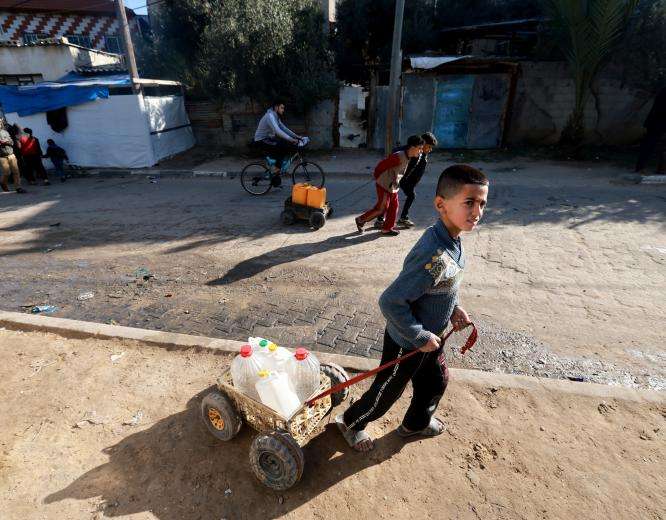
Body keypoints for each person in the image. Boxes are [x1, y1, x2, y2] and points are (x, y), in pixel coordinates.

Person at [337, 164, 489, 452]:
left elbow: (442, 285)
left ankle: (415, 423)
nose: (477, 211)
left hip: (432, 339)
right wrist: (419, 337)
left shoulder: (453, 240)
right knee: (385, 393)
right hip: (408, 342)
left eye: (482, 203)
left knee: (436, 381)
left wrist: (455, 308)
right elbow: (391, 301)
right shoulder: (434, 253)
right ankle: (350, 422)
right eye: (469, 202)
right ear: (441, 205)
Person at [354, 134, 424, 236]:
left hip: (393, 186)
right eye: (419, 148)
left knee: (394, 206)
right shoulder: (398, 156)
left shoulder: (409, 157)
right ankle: (361, 220)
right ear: (413, 148)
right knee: (382, 207)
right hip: (384, 184)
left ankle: (387, 228)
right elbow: (381, 166)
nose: (421, 151)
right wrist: (378, 177)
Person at [376, 132, 438, 229]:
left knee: (408, 196)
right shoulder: (412, 151)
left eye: (431, 148)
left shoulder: (422, 154)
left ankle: (394, 218)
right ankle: (384, 219)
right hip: (400, 178)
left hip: (407, 180)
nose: (430, 150)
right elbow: (397, 157)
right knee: (390, 198)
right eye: (429, 147)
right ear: (423, 143)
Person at [253, 101, 304, 179]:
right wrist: (291, 139)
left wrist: (296, 136)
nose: (283, 110)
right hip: (261, 140)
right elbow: (277, 131)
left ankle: (276, 170)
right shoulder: (270, 116)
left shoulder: (275, 116)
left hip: (268, 139)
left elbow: (284, 128)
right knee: (281, 146)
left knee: (284, 144)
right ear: (276, 107)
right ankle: (276, 170)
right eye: (282, 108)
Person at [636, 87, 666, 174]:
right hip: (657, 122)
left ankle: (661, 169)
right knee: (649, 145)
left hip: (657, 121)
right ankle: (641, 168)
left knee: (650, 145)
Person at [0, 119, 26, 193]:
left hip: (11, 154)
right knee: (7, 172)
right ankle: (3, 182)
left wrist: (8, 142)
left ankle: (18, 187)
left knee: (16, 172)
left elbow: (12, 141)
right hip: (2, 157)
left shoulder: (5, 132)